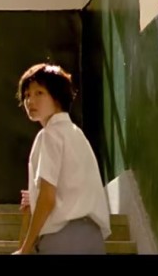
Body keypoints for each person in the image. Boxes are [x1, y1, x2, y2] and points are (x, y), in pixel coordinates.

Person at [13, 63, 111, 254]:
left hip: (63, 239)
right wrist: (35, 196)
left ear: (57, 97)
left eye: (39, 93)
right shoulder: (77, 134)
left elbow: (47, 198)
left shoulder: (49, 135)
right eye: (26, 95)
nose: (30, 100)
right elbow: (71, 186)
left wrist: (25, 248)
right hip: (93, 238)